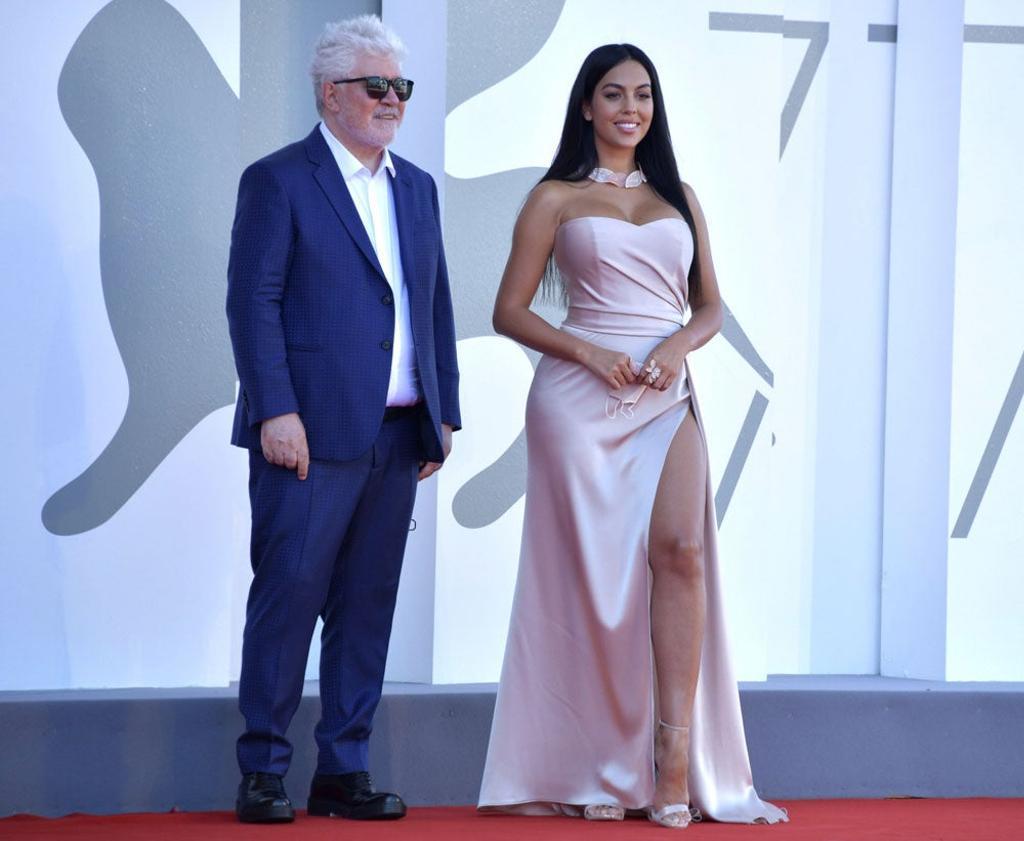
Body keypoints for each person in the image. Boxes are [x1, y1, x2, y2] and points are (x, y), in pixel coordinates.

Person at [477, 44, 786, 828]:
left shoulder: (680, 194)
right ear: (586, 105)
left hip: (663, 391)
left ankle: (674, 759)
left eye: (643, 94)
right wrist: (590, 352)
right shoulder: (553, 197)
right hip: (578, 401)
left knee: (683, 551)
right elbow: (508, 311)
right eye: (613, 93)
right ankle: (598, 766)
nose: (630, 107)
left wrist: (675, 347)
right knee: (593, 584)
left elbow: (709, 306)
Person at [225, 15, 460, 824]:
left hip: (398, 434)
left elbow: (432, 301)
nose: (393, 100)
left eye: (401, 87)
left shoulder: (418, 186)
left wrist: (444, 411)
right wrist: (274, 410)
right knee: (288, 599)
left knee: (368, 604)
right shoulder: (279, 180)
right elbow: (251, 301)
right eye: (376, 86)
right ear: (330, 93)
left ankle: (342, 769)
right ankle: (263, 770)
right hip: (307, 434)